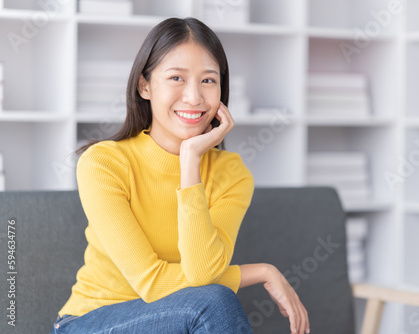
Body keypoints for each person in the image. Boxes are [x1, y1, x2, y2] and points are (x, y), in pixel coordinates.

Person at [51, 17, 309, 334]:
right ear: (144, 85)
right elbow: (152, 283)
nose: (194, 97)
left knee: (210, 299)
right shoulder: (104, 163)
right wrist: (261, 272)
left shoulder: (232, 174)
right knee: (214, 301)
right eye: (176, 77)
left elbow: (202, 273)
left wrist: (190, 161)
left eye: (208, 80)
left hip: (180, 320)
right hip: (92, 322)